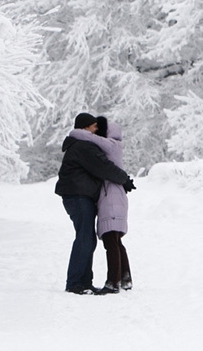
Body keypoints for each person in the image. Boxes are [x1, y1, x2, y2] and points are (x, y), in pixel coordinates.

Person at [54, 112, 135, 295]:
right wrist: (124, 179)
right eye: (94, 126)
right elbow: (103, 166)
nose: (96, 130)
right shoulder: (83, 146)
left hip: (79, 195)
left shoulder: (81, 145)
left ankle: (83, 281)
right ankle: (76, 282)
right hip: (78, 195)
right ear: (85, 128)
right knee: (85, 237)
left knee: (87, 237)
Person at [90, 115, 132, 292]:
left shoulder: (112, 144)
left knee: (110, 241)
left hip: (112, 196)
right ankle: (125, 278)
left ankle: (113, 282)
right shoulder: (113, 146)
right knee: (115, 239)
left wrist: (76, 132)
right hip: (113, 196)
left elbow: (89, 138)